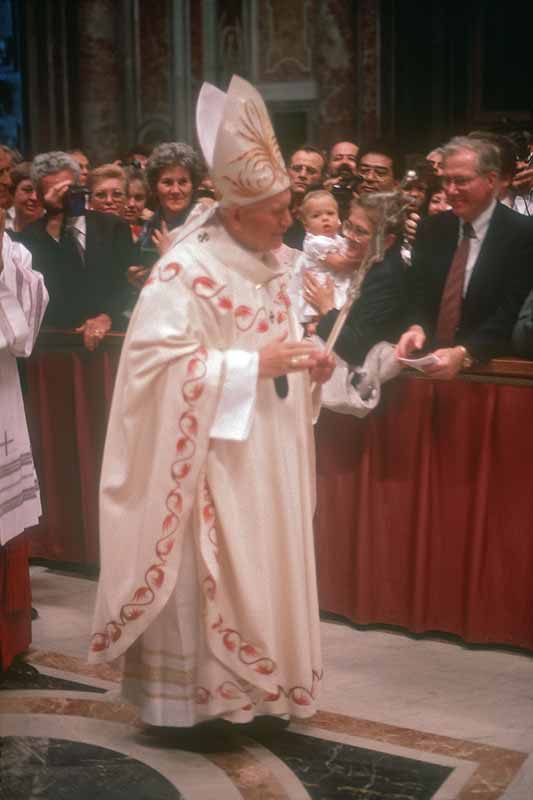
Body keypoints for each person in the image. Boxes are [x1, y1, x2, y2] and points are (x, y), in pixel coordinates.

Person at [89, 75, 334, 739]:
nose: (286, 223)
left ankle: (265, 694)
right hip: (208, 464)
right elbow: (152, 370)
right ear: (235, 211)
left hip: (270, 458)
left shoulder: (277, 265)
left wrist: (310, 364)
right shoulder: (184, 273)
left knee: (268, 566)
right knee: (214, 572)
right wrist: (252, 366)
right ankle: (199, 707)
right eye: (276, 212)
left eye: (288, 209)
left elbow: (284, 346)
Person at [397, 136, 533, 378]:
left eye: (461, 181)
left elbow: (511, 311)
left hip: (489, 370)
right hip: (428, 364)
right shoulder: (431, 228)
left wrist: (465, 352)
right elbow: (417, 293)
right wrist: (416, 327)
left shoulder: (522, 233)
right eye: (446, 180)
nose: (450, 190)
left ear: (491, 179)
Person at [20, 151, 137, 345]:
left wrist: (107, 316)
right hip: (57, 343)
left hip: (110, 339)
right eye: (55, 192)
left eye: (68, 190)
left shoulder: (113, 227)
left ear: (80, 187)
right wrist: (55, 218)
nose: (63, 198)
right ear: (40, 197)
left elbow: (128, 284)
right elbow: (49, 292)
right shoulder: (31, 237)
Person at [0, 209, 48, 676]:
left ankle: (8, 647)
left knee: (7, 529)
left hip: (2, 398)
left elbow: (21, 335)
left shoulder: (13, 253)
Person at [304, 193, 409, 366]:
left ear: (387, 241)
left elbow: (357, 350)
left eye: (360, 231)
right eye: (348, 226)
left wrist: (326, 308)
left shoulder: (385, 278)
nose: (349, 236)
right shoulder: (368, 261)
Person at [289, 190, 356, 323]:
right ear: (306, 225)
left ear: (338, 218)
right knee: (319, 308)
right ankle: (315, 323)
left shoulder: (338, 239)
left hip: (335, 281)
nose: (325, 218)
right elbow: (340, 264)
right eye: (316, 215)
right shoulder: (315, 242)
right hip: (322, 283)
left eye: (330, 213)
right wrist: (363, 261)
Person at [137, 142, 204, 271]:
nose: (175, 190)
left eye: (183, 182)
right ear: (154, 187)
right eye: (167, 182)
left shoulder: (207, 223)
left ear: (193, 186)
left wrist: (168, 256)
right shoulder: (149, 227)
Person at [283, 145, 326, 249]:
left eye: (311, 171)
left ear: (322, 178)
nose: (302, 175)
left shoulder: (327, 213)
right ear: (286, 171)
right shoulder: (269, 206)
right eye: (297, 169)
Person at [5, 162, 43, 234]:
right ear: (13, 192)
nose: (34, 197)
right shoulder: (3, 229)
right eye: (27, 190)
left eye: (40, 191)